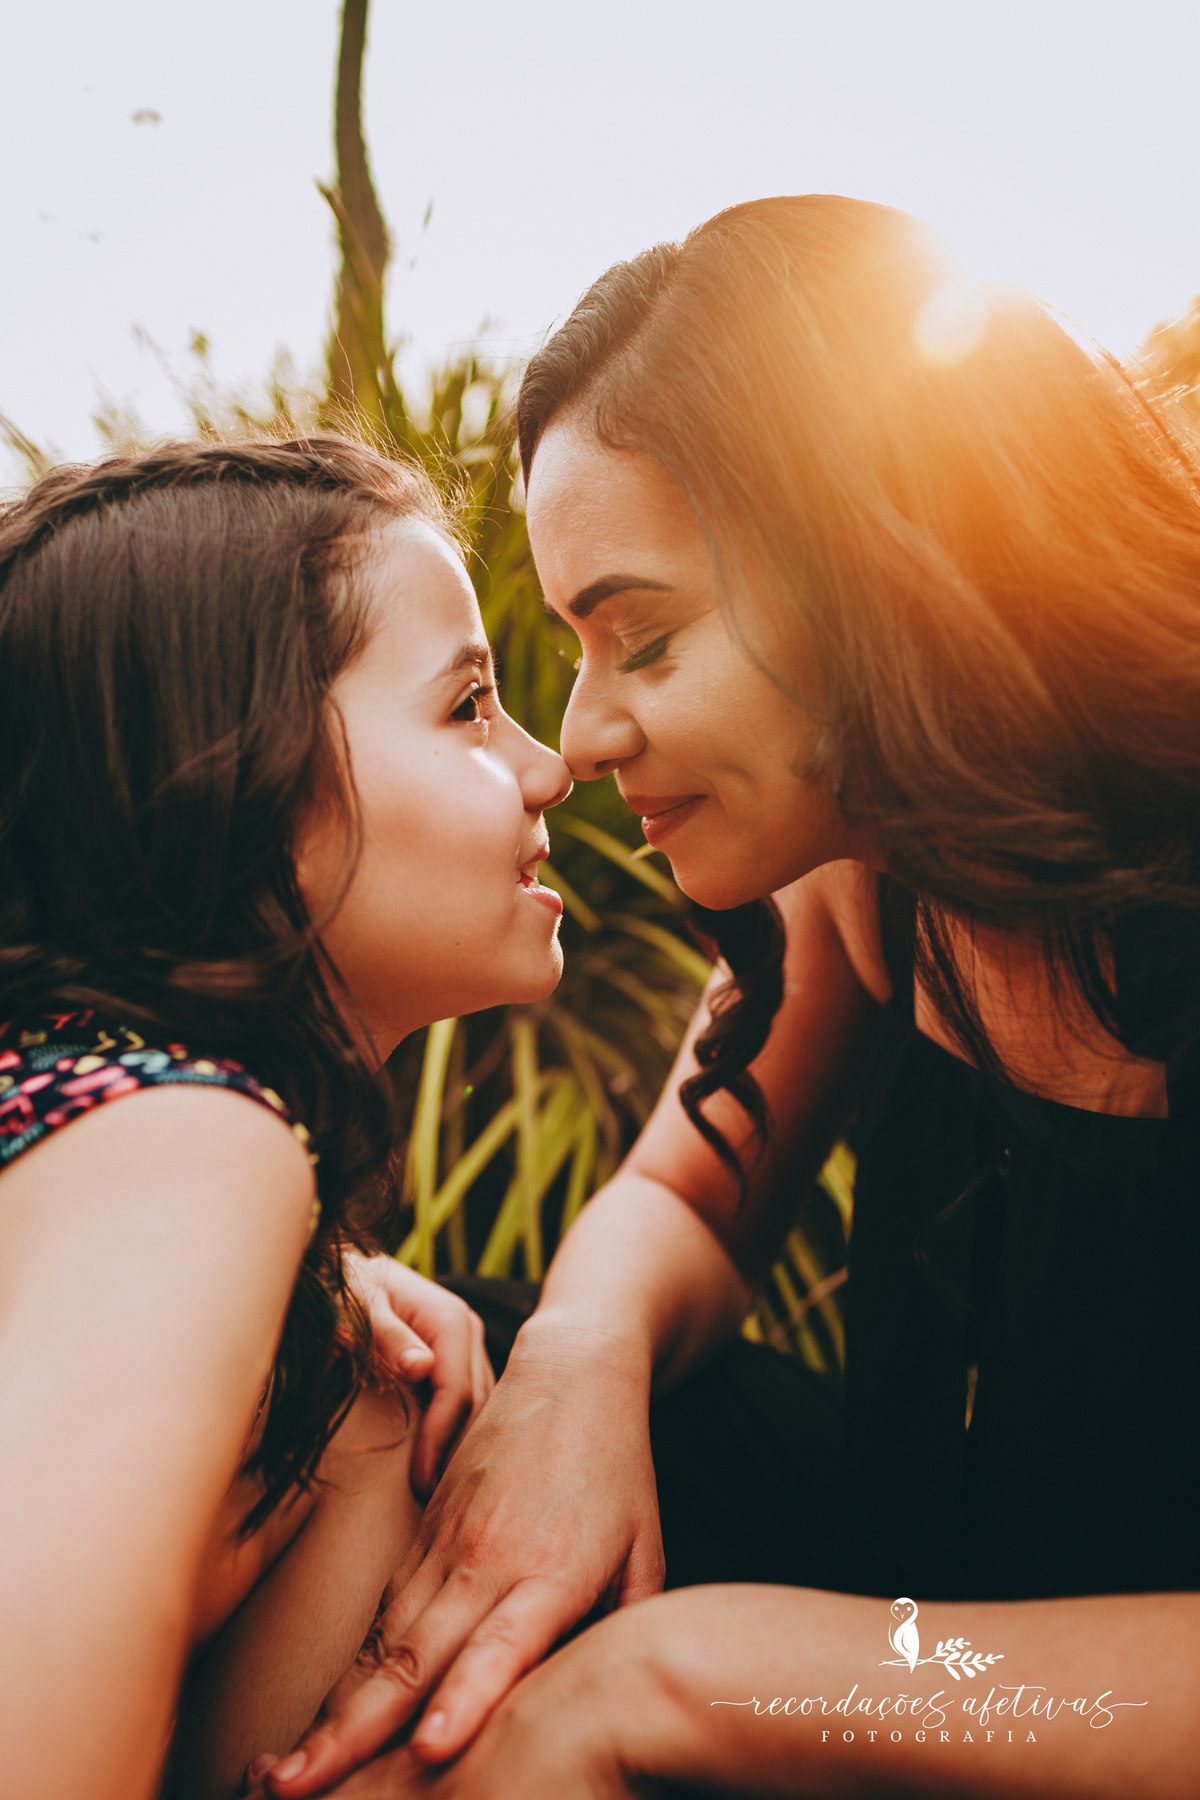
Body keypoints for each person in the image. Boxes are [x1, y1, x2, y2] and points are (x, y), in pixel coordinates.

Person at [265, 198, 1200, 1799]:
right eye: (569, 647)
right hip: (908, 1580)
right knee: (404, 1382)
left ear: (889, 560)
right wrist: (580, 1363)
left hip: (1076, 1700)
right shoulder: (869, 870)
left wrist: (667, 1684)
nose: (581, 738)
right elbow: (688, 1199)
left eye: (645, 638)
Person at [0, 434, 571, 1800]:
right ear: (240, 781)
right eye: (469, 706)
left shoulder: (115, 1136)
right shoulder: (189, 1139)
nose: (550, 767)